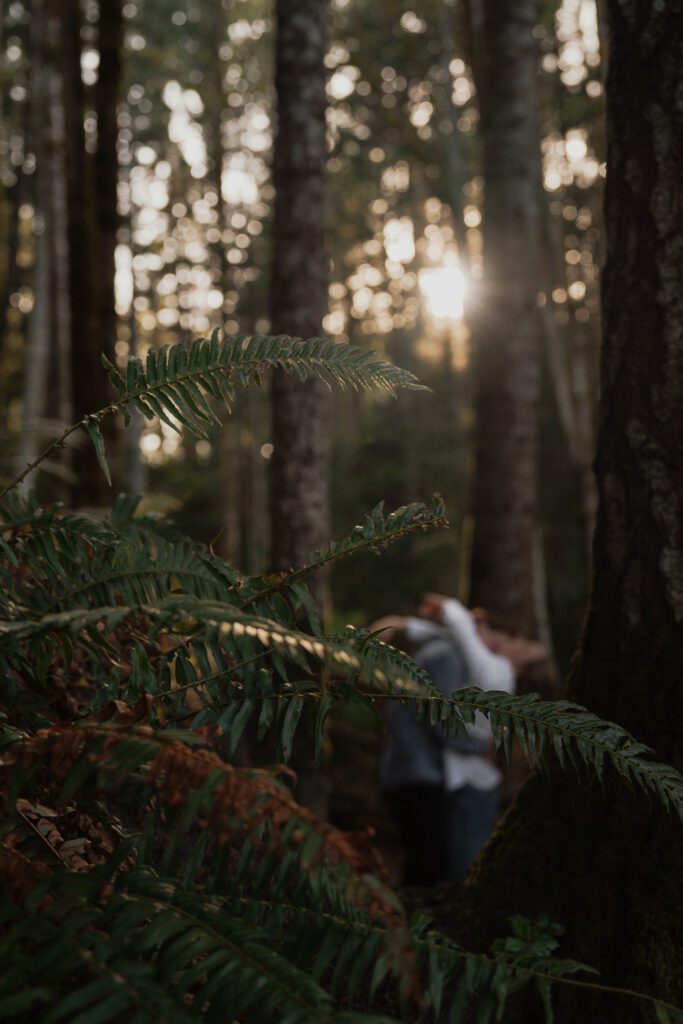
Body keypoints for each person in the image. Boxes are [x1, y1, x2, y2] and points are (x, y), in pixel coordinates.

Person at [373, 595, 547, 885]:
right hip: (419, 774)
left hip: (421, 771)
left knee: (428, 863)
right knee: (429, 867)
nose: (495, 645)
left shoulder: (448, 652)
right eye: (494, 635)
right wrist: (483, 746)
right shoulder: (448, 654)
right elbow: (440, 716)